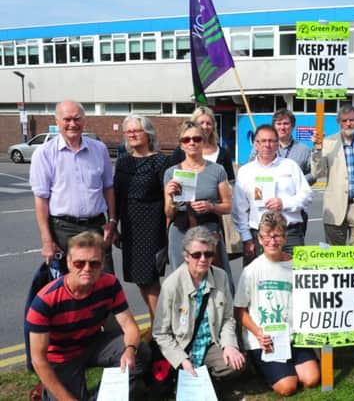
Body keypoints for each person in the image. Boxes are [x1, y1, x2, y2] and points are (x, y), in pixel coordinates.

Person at [26, 231, 149, 401]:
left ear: (102, 263)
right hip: (62, 356)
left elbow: (130, 326)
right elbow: (38, 360)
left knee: (140, 351)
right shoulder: (45, 300)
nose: (87, 269)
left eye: (94, 264)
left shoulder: (110, 284)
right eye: (79, 263)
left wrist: (129, 350)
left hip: (93, 343)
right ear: (68, 262)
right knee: (68, 396)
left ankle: (114, 391)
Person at [234, 211, 320, 396]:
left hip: (293, 335)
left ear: (285, 237)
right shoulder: (251, 271)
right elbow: (239, 310)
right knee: (288, 387)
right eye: (267, 236)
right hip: (265, 339)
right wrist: (258, 333)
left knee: (311, 379)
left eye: (277, 236)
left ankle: (287, 366)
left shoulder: (297, 265)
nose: (272, 241)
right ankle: (263, 369)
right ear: (259, 238)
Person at [153, 226, 245, 394]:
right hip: (183, 347)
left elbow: (227, 319)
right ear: (186, 256)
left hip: (210, 343)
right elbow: (161, 333)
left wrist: (229, 345)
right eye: (196, 255)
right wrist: (181, 360)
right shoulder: (171, 285)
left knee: (235, 365)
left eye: (208, 254)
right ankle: (197, 379)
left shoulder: (221, 276)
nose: (203, 259)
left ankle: (208, 378)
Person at [29, 100, 117, 273]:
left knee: (105, 284)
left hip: (97, 227)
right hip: (63, 230)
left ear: (84, 121)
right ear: (57, 122)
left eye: (77, 119)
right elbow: (41, 199)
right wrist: (47, 241)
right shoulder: (44, 154)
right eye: (67, 119)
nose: (72, 124)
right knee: (72, 288)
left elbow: (108, 188)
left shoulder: (99, 149)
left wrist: (112, 221)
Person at [114, 115, 168, 331]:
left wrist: (166, 228)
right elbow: (117, 194)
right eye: (129, 131)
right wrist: (115, 223)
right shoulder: (123, 160)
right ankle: (158, 322)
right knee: (139, 278)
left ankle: (160, 327)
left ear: (148, 134)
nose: (133, 134)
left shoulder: (160, 161)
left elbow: (168, 197)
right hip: (130, 225)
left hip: (152, 224)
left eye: (137, 130)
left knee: (150, 279)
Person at [311, 104, 354, 262]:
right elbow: (318, 173)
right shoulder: (328, 142)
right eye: (344, 121)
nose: (349, 124)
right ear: (339, 122)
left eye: (352, 120)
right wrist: (317, 149)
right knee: (335, 258)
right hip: (335, 207)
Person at [232, 124, 312, 262]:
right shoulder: (245, 172)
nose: (267, 145)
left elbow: (307, 196)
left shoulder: (290, 166)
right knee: (258, 281)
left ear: (277, 144)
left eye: (271, 141)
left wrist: (284, 203)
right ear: (255, 144)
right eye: (262, 141)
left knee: (293, 280)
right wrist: (246, 238)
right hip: (259, 236)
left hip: (290, 234)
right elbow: (239, 210)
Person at [164, 121, 232, 278]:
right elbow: (168, 212)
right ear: (181, 145)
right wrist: (170, 196)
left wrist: (211, 206)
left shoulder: (217, 170)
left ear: (203, 141)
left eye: (196, 139)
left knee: (214, 277)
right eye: (186, 140)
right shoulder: (171, 172)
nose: (192, 143)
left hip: (208, 228)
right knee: (181, 279)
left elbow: (228, 206)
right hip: (180, 230)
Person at [249, 109, 315, 235]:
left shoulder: (304, 150)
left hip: (292, 213)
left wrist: (296, 182)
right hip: (264, 212)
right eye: (279, 124)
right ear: (274, 126)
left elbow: (314, 174)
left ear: (292, 126)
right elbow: (251, 173)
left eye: (286, 124)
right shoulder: (259, 148)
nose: (282, 127)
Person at [170, 106, 235, 181]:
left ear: (213, 126)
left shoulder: (223, 154)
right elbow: (171, 176)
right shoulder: (181, 151)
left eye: (208, 123)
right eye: (201, 123)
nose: (205, 127)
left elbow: (231, 181)